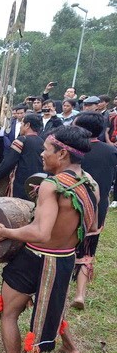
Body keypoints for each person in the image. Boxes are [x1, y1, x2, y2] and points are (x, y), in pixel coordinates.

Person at [0, 126, 98, 353]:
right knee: (52, 305)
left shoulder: (51, 185)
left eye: (46, 150)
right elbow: (90, 227)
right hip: (64, 260)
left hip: (35, 258)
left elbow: (41, 233)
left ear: (62, 154)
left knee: (9, 314)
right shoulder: (90, 184)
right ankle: (70, 349)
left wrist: (5, 232)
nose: (41, 154)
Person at [71, 112, 117, 310]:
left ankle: (60, 288)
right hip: (98, 208)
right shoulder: (111, 151)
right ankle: (80, 294)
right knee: (88, 250)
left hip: (72, 206)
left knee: (65, 248)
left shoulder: (73, 150)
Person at [0, 113, 44, 200]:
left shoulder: (21, 140)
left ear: (27, 125)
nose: (20, 126)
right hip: (36, 183)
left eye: (21, 123)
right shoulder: (42, 142)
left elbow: (9, 161)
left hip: (20, 182)